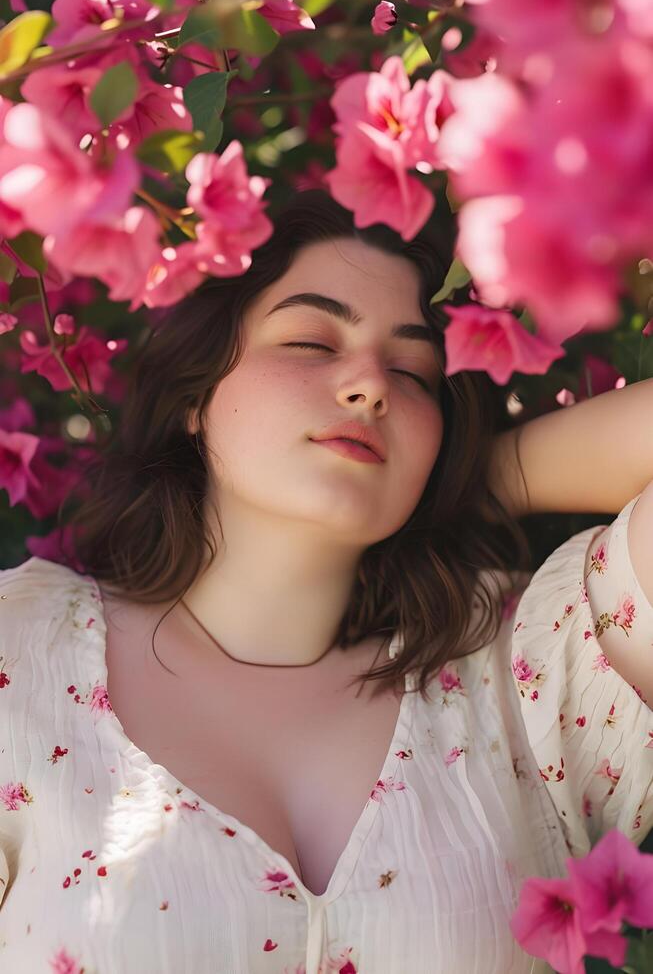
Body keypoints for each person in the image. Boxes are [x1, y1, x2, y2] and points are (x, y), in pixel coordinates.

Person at [0, 190, 652, 974]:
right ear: (193, 397)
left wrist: (458, 481)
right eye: (311, 341)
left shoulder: (525, 682)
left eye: (413, 371)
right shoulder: (21, 660)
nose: (370, 387)